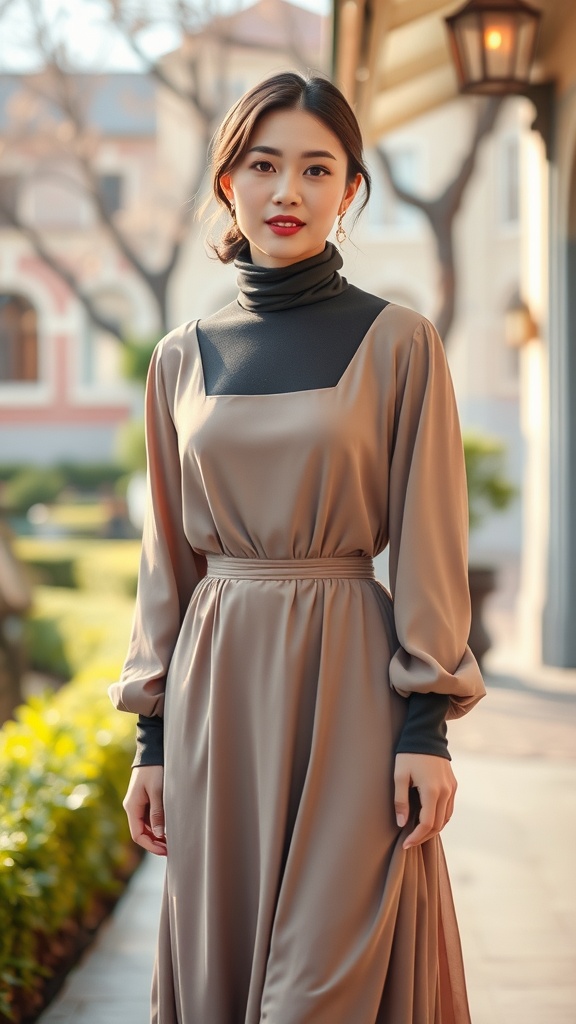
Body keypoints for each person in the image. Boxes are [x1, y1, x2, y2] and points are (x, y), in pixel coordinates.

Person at [109, 71, 485, 1024]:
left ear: (352, 190)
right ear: (227, 180)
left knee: (327, 981)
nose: (289, 193)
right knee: (224, 968)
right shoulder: (178, 358)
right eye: (264, 165)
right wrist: (151, 741)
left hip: (350, 688)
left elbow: (433, 541)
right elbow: (167, 564)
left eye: (318, 169)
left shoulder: (402, 344)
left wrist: (425, 726)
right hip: (217, 693)